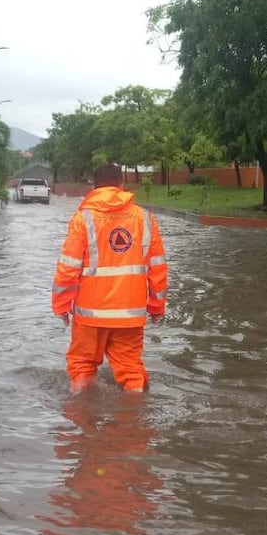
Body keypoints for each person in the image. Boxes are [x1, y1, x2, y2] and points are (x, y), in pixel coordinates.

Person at [52, 164, 168, 393]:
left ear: (94, 186)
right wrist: (156, 307)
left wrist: (61, 306)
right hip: (130, 315)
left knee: (82, 367)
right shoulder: (145, 218)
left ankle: (81, 419)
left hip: (90, 315)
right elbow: (158, 269)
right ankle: (133, 421)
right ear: (121, 183)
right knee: (131, 370)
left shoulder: (82, 219)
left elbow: (68, 268)